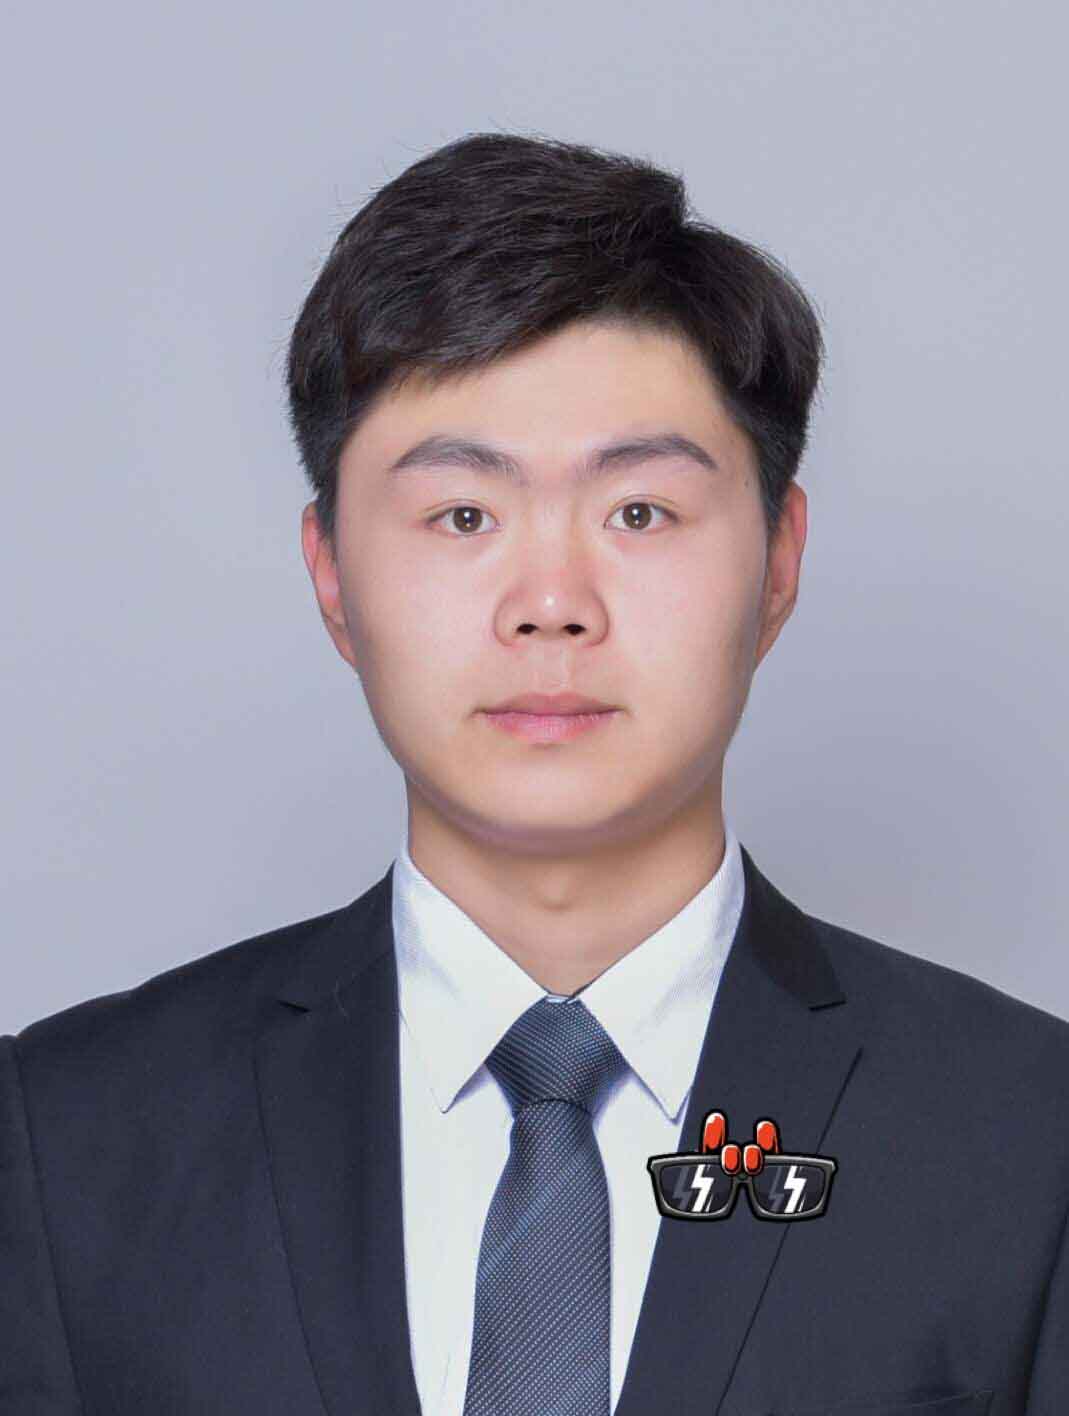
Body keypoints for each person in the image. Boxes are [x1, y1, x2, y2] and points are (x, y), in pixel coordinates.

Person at [2, 132, 1066, 1416]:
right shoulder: (65, 1135)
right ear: (331, 574)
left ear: (778, 561)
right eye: (463, 515)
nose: (551, 602)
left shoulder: (1028, 1138)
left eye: (638, 513)